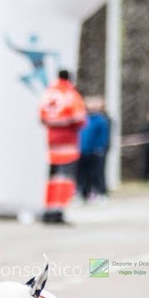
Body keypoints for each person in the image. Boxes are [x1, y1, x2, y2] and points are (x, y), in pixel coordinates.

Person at [39, 69, 86, 224]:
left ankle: (48, 208)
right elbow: (80, 118)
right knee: (65, 177)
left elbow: (41, 117)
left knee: (52, 177)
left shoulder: (48, 94)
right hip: (67, 143)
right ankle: (59, 210)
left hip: (52, 141)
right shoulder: (71, 95)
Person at [78, 96, 110, 202]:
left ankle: (102, 193)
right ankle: (83, 194)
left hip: (95, 151)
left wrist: (100, 148)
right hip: (83, 150)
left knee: (97, 173)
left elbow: (103, 136)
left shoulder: (101, 120)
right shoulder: (83, 118)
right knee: (83, 174)